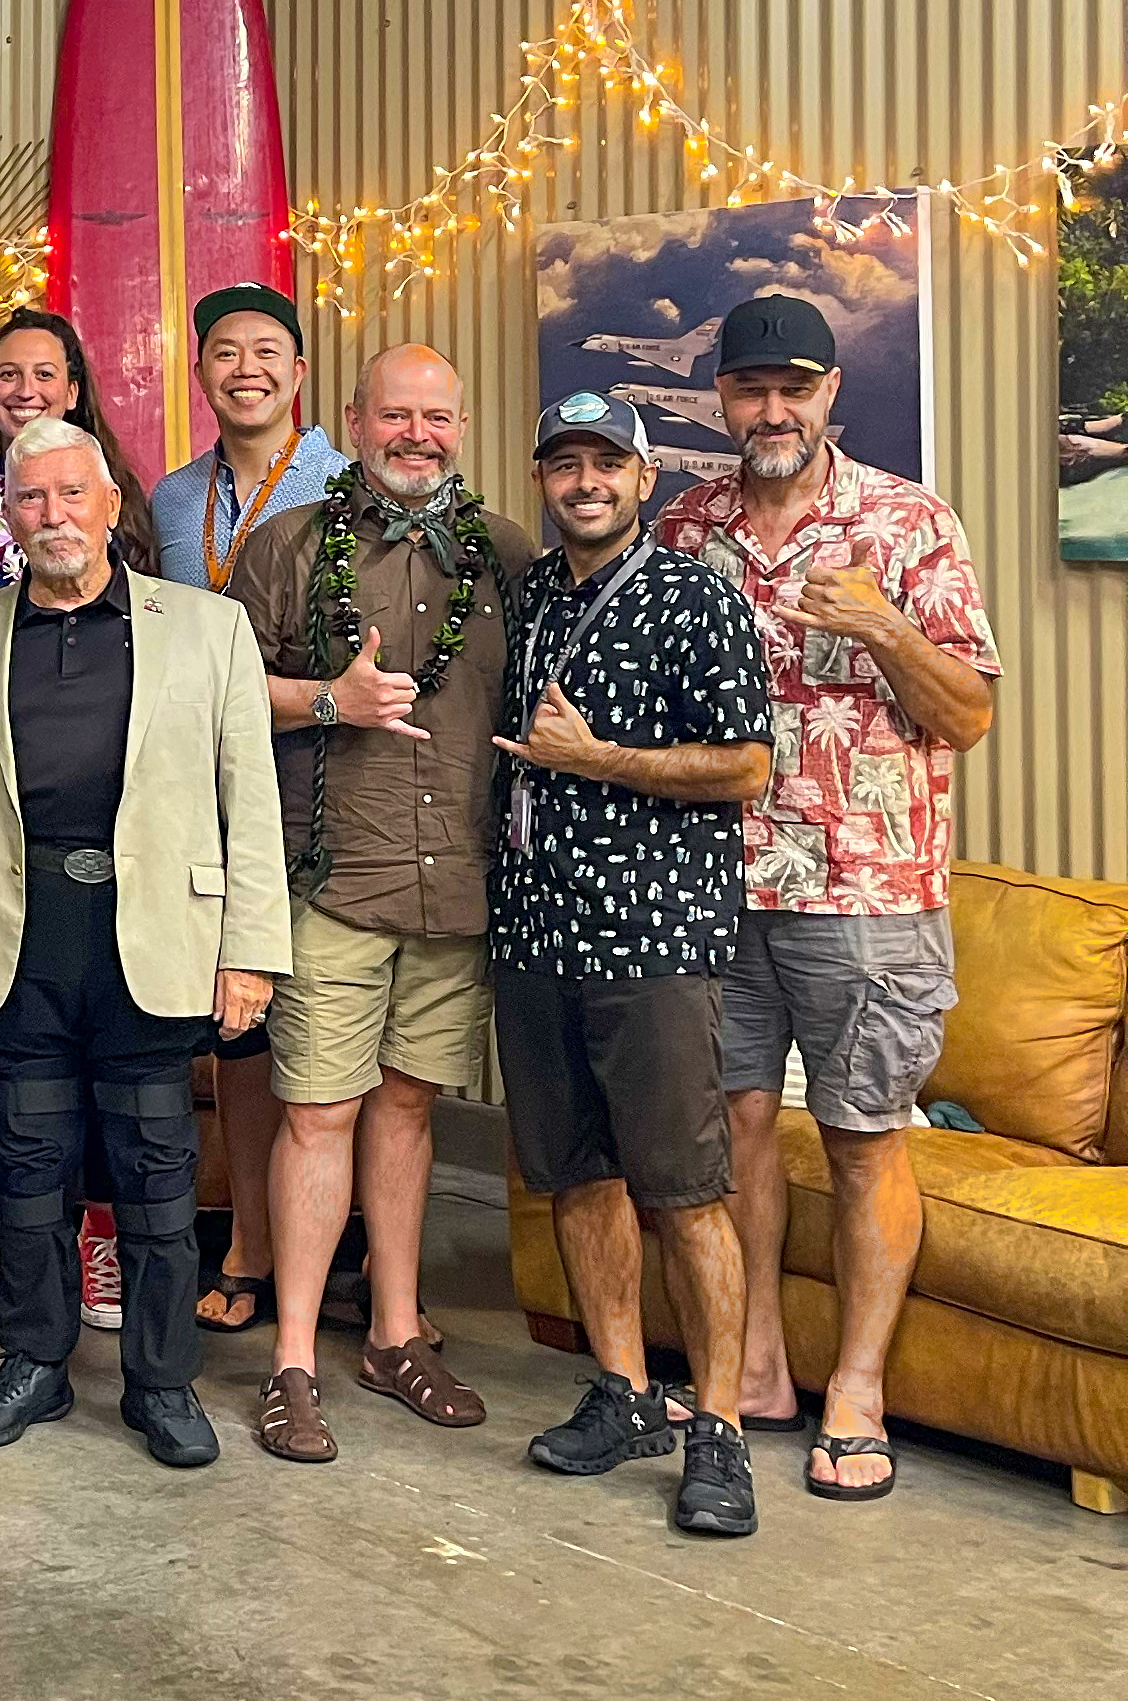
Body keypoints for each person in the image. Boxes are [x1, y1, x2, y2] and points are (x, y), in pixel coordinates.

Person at [654, 294, 1001, 1501]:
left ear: (830, 394)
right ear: (723, 400)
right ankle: (753, 1365)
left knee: (862, 1141)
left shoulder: (907, 522)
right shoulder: (687, 526)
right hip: (715, 885)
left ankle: (858, 1386)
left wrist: (889, 629)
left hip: (868, 893)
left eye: (793, 388)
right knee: (735, 1127)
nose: (772, 410)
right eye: (751, 390)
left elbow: (968, 714)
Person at [0, 415, 290, 1461]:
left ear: (112, 505)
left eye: (74, 495)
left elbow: (249, 804)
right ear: (8, 516)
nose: (54, 515)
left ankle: (161, 1384)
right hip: (14, 937)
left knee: (156, 1175)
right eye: (32, 499)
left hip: (153, 937)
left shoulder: (207, 629)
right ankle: (33, 1364)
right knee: (24, 1172)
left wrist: (250, 950)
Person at [225, 345, 537, 1463]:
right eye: (395, 414)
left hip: (456, 884)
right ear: (351, 419)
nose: (417, 434)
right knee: (317, 1112)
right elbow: (220, 694)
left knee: (406, 1109)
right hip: (335, 880)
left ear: (461, 425)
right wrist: (329, 699)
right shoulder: (289, 546)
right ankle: (295, 1360)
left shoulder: (506, 555)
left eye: (437, 416)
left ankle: (397, 1334)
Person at [496, 392, 772, 1538]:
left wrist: (597, 759)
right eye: (564, 464)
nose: (585, 482)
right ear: (543, 482)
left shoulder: (694, 597)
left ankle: (720, 1430)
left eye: (607, 462)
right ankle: (622, 1391)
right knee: (577, 1177)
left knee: (686, 1191)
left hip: (651, 942)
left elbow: (750, 764)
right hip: (537, 934)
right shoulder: (532, 601)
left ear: (645, 478)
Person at [0, 307, 155, 1336]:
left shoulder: (120, 497)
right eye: (7, 374)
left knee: (100, 1040)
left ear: (76, 386)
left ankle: (95, 1242)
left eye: (45, 373)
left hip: (95, 823)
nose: (24, 390)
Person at [147, 281, 348, 1335]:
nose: (246, 371)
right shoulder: (174, 503)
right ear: (202, 373)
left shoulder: (349, 490)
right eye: (225, 354)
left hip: (320, 795)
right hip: (206, 800)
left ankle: (309, 1258)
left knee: (314, 1033)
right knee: (237, 1030)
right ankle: (253, 1243)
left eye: (267, 352)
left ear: (300, 373)